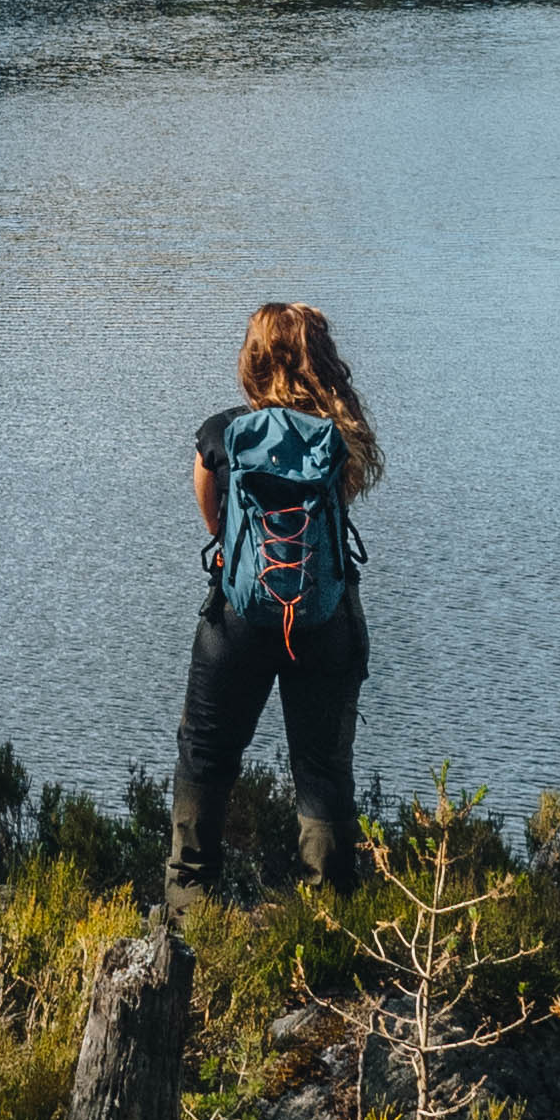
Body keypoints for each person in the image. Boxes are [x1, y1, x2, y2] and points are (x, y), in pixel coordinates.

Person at [167, 297, 379, 908]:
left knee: (206, 755)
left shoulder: (221, 432)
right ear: (322, 360)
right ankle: (331, 926)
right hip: (324, 617)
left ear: (254, 359)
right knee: (322, 769)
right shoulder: (341, 437)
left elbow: (212, 519)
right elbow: (345, 500)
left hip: (236, 621)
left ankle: (188, 920)